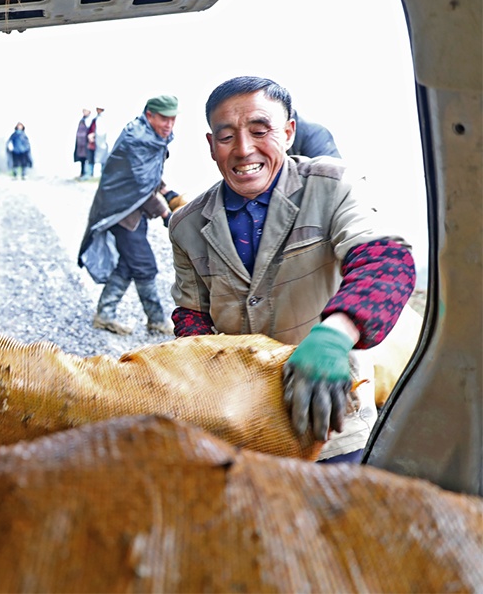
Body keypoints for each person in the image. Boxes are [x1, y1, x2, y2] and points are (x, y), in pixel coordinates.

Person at [168, 76, 415, 463]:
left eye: (259, 130)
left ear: (288, 131)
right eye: (226, 136)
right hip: (240, 416)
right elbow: (191, 314)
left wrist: (334, 336)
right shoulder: (187, 224)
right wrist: (203, 377)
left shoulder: (334, 186)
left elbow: (386, 262)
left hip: (331, 413)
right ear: (211, 144)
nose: (244, 149)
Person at [78, 95, 182, 336]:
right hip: (121, 210)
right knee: (144, 264)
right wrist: (166, 213)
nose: (169, 125)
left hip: (133, 210)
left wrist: (167, 191)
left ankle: (104, 314)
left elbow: (150, 176)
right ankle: (156, 320)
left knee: (127, 264)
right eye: (164, 119)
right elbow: (139, 184)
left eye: (173, 119)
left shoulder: (151, 136)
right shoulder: (137, 140)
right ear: (149, 116)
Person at [74, 108, 95, 179]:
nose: (84, 112)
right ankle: (82, 173)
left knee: (89, 158)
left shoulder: (91, 120)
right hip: (81, 143)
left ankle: (90, 174)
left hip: (88, 142)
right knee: (82, 159)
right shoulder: (82, 120)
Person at [92, 106, 110, 176]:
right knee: (100, 158)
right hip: (99, 140)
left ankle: (104, 173)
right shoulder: (98, 118)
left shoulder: (104, 118)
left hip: (104, 140)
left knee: (105, 157)